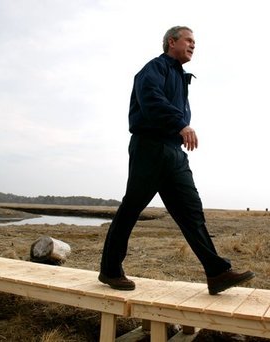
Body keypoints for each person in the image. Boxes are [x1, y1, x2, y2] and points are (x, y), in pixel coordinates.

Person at [99, 26, 255, 295]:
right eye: (189, 40)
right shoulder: (154, 69)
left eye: (195, 42)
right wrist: (182, 124)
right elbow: (151, 100)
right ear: (172, 42)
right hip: (150, 147)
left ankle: (217, 273)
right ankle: (110, 270)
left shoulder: (181, 77)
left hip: (173, 152)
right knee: (132, 208)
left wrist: (179, 130)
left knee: (191, 211)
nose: (194, 45)